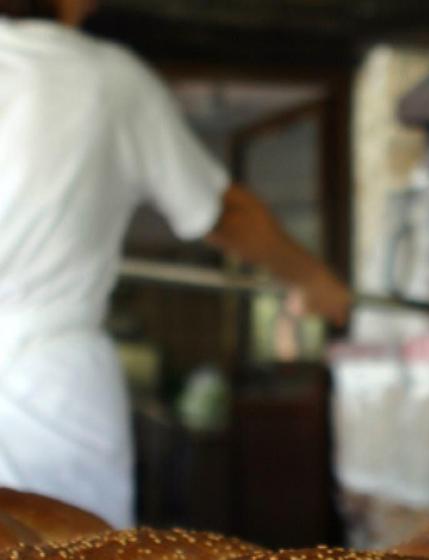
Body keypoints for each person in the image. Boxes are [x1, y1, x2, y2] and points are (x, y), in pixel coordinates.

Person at [0, 0, 351, 527]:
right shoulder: (103, 79)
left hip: (42, 365)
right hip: (44, 382)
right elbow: (225, 214)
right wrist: (313, 279)